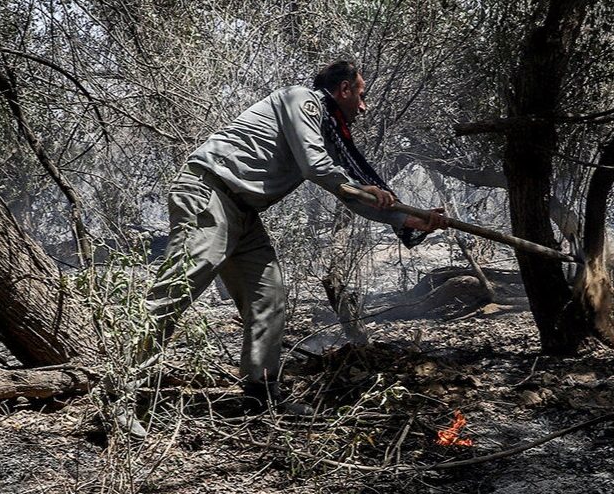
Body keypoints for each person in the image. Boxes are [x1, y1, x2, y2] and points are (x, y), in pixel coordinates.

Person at [112, 60, 447, 438]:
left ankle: (261, 396)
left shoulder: (327, 131)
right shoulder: (302, 100)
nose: (365, 107)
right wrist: (368, 192)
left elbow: (346, 190)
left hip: (243, 213)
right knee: (174, 292)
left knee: (269, 299)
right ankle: (118, 396)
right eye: (362, 95)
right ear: (344, 90)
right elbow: (317, 168)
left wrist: (404, 221)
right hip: (210, 193)